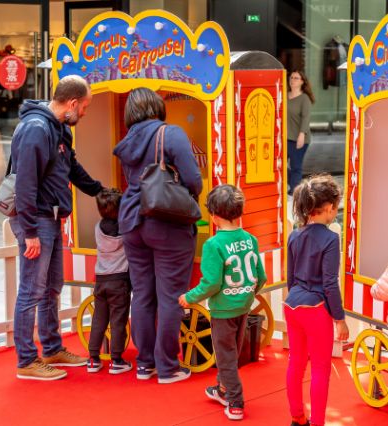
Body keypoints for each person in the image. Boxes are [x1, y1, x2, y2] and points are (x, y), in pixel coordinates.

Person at [9, 75, 103, 380]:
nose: (86, 114)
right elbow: (25, 182)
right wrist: (31, 231)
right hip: (35, 219)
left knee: (51, 287)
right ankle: (26, 360)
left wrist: (100, 191)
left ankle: (51, 347)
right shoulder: (36, 129)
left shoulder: (58, 128)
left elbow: (71, 167)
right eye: (85, 107)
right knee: (31, 291)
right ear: (73, 103)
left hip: (50, 217)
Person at [113, 87, 202, 384]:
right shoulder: (170, 134)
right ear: (157, 107)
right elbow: (193, 180)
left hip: (131, 221)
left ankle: (144, 363)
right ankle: (168, 367)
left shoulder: (126, 142)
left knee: (142, 294)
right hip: (166, 223)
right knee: (170, 296)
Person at [178, 185, 267, 420]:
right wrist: (246, 294)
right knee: (232, 353)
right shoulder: (250, 240)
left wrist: (189, 297)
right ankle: (222, 388)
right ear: (241, 212)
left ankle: (235, 401)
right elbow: (262, 277)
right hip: (243, 307)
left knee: (225, 356)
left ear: (214, 216)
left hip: (223, 311)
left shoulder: (213, 245)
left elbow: (211, 284)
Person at [284, 175, 348, 426]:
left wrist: (295, 298)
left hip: (292, 305)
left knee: (295, 364)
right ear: (330, 208)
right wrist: (339, 319)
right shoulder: (331, 239)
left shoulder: (294, 235)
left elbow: (290, 277)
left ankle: (297, 417)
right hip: (316, 308)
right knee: (321, 370)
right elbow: (330, 283)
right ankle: (318, 422)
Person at [86, 188, 132, 375]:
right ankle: (117, 359)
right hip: (119, 280)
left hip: (101, 280)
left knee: (99, 319)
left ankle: (93, 358)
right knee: (118, 321)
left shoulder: (98, 228)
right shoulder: (125, 230)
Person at [287, 70, 315, 195]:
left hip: (299, 138)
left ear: (302, 82)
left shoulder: (304, 99)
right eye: (291, 77)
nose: (292, 80)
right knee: (278, 165)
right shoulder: (284, 95)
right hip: (284, 138)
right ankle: (296, 185)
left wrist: (301, 135)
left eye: (296, 78)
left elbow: (306, 118)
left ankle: (295, 193)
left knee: (296, 167)